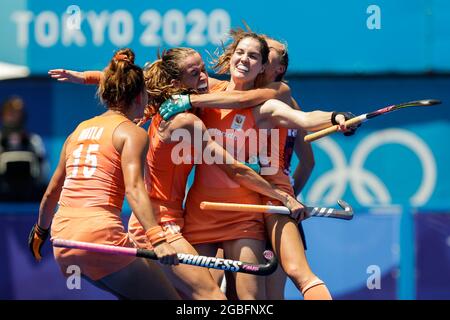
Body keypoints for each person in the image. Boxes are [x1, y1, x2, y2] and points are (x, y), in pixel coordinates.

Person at [47, 48, 304, 300]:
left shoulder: (182, 102)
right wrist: (281, 196)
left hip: (174, 219)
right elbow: (234, 169)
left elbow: (244, 98)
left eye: (204, 69)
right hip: (158, 224)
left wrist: (87, 77)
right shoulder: (184, 121)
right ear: (175, 83)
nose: (204, 77)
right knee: (212, 297)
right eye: (195, 74)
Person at [28, 49, 180, 300]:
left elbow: (51, 193)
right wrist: (158, 239)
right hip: (100, 237)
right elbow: (134, 189)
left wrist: (40, 231)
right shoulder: (132, 133)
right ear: (141, 96)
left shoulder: (78, 130)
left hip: (62, 241)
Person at [0, 96, 48, 201]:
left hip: (29, 196)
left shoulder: (34, 140)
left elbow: (43, 172)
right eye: (10, 112)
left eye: (17, 113)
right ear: (3, 115)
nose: (13, 116)